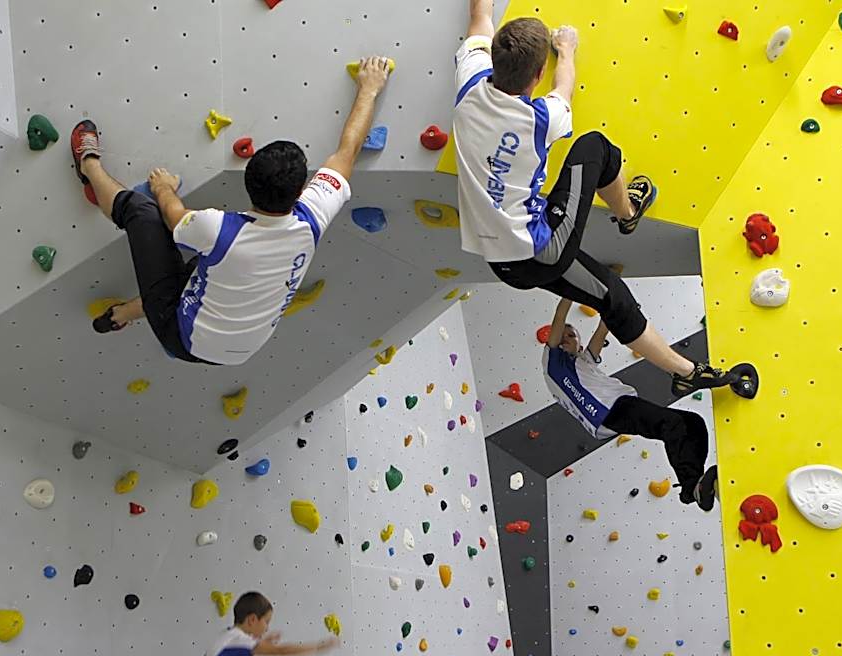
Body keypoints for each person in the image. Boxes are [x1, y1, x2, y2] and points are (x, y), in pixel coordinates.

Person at [453, 2, 734, 395]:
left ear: (494, 58)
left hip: (503, 263)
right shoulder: (541, 119)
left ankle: (686, 372)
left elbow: (478, 19)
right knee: (594, 147)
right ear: (539, 74)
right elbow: (563, 87)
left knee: (611, 295)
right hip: (542, 249)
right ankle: (628, 213)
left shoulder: (469, 85)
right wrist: (566, 48)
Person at [70, 56, 393, 366]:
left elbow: (172, 215)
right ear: (299, 193)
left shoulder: (218, 230)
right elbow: (347, 151)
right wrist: (369, 89)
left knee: (142, 213)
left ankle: (88, 166)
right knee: (205, 267)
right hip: (241, 351)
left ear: (248, 184)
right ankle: (122, 314)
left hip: (182, 335)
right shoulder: (311, 218)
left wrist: (164, 187)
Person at [543, 299, 719, 510]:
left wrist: (612, 299)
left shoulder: (584, 361)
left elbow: (603, 328)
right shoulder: (554, 362)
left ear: (579, 346)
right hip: (607, 412)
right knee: (671, 425)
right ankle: (691, 488)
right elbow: (560, 316)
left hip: (620, 406)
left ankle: (698, 484)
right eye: (561, 335)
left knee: (693, 422)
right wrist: (570, 292)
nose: (564, 338)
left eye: (571, 335)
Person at [190, 592, 338, 656]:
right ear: (252, 620)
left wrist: (264, 641)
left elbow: (242, 649)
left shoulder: (230, 636)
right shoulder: (238, 640)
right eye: (266, 622)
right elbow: (282, 651)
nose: (267, 628)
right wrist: (317, 647)